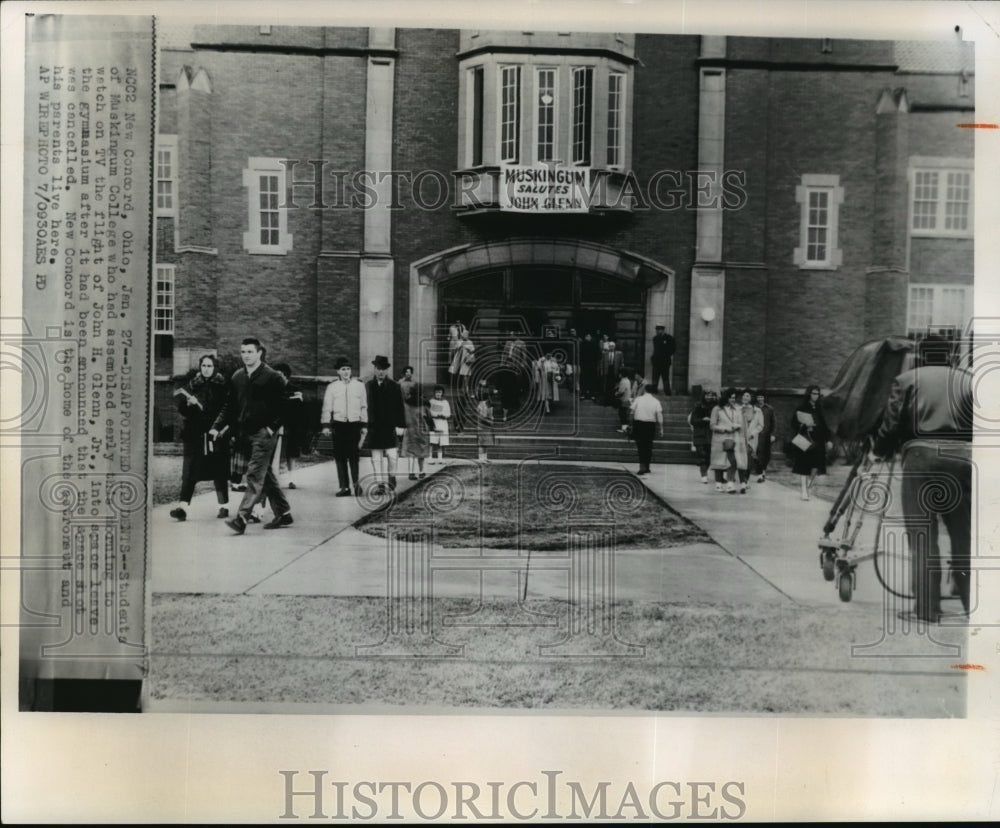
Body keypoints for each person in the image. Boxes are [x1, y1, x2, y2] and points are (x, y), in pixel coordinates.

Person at [871, 342, 973, 623]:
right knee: (964, 537)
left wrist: (879, 450)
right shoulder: (968, 380)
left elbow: (891, 425)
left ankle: (927, 610)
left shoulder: (906, 381)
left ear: (922, 356)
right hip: (964, 460)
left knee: (922, 537)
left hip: (922, 458)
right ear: (950, 356)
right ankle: (973, 607)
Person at [211, 337, 293, 534]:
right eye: (243, 352)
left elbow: (284, 407)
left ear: (259, 353)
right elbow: (230, 406)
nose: (246, 355)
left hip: (264, 434)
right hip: (245, 433)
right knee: (266, 475)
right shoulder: (238, 377)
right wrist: (217, 426)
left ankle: (242, 517)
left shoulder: (272, 377)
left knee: (255, 474)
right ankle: (284, 512)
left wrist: (271, 428)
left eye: (250, 352)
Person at [170, 354, 231, 521]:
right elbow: (182, 409)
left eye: (209, 366)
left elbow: (227, 409)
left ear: (215, 368)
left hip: (214, 433)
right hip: (194, 434)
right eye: (203, 365)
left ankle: (223, 506)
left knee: (218, 470)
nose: (206, 369)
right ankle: (182, 507)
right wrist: (188, 404)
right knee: (189, 470)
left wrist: (220, 428)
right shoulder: (192, 385)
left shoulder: (223, 386)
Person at [320, 356, 368, 497]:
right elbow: (327, 407)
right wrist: (326, 425)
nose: (346, 372)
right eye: (343, 369)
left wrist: (364, 424)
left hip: (354, 425)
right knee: (340, 457)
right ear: (338, 372)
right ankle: (344, 487)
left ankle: (356, 484)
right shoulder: (332, 387)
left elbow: (364, 406)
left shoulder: (359, 386)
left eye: (348, 369)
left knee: (353, 455)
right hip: (339, 425)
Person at [365, 355, 407, 494]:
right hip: (374, 427)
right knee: (376, 459)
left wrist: (401, 425)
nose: (381, 372)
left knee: (392, 456)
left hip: (389, 427)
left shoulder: (394, 386)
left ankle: (392, 475)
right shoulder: (368, 386)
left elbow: (400, 406)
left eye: (383, 369)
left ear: (387, 370)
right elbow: (364, 407)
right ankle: (379, 484)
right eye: (378, 368)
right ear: (374, 369)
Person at [790, 384, 833, 500]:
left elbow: (824, 426)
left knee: (816, 465)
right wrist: (804, 425)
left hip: (818, 440)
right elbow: (794, 424)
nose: (816, 396)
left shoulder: (819, 408)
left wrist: (828, 440)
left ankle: (808, 485)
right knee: (804, 466)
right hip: (805, 440)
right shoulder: (801, 407)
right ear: (809, 394)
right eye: (814, 393)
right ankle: (804, 491)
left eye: (818, 394)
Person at [271, 362, 306, 490]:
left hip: (291, 425)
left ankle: (291, 479)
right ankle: (275, 478)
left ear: (286, 376)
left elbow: (299, 407)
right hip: (276, 425)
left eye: (280, 374)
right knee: (276, 453)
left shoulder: (295, 389)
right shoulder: (272, 389)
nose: (277, 377)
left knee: (291, 453)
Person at [710, 387, 747, 494]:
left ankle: (730, 484)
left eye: (734, 398)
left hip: (733, 438)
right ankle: (718, 484)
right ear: (725, 398)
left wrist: (737, 426)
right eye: (730, 398)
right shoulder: (717, 409)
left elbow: (740, 422)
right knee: (719, 462)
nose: (732, 400)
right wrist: (725, 428)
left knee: (732, 461)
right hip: (720, 439)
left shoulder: (736, 409)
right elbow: (712, 425)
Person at [399, 365, 430, 480]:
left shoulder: (406, 404)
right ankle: (421, 471)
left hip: (410, 429)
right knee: (421, 452)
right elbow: (429, 418)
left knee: (410, 452)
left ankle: (411, 472)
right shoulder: (424, 405)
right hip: (421, 429)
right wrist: (432, 427)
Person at [630, 384, 664, 475]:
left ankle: (642, 466)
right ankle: (647, 466)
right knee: (648, 445)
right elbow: (659, 415)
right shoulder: (656, 401)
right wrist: (661, 428)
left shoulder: (638, 399)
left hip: (639, 424)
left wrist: (631, 424)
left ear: (645, 390)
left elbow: (632, 412)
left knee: (640, 445)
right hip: (650, 425)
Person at [687, 389, 717, 484]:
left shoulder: (715, 407)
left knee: (708, 455)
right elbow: (692, 420)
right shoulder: (698, 406)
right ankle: (703, 475)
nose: (709, 397)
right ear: (704, 396)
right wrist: (703, 420)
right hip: (699, 434)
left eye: (711, 395)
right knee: (702, 454)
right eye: (707, 395)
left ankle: (705, 471)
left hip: (710, 434)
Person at [738, 388, 764, 493]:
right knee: (740, 459)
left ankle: (746, 480)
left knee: (749, 460)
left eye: (747, 396)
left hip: (751, 439)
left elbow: (761, 425)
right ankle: (742, 482)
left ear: (752, 398)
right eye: (744, 395)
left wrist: (753, 433)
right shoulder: (737, 409)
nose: (745, 397)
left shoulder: (757, 411)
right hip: (739, 437)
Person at [476, 386, 506, 462]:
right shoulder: (481, 405)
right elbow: (481, 417)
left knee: (486, 442)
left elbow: (489, 415)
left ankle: (485, 457)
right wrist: (490, 421)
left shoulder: (487, 405)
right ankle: (481, 458)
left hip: (487, 426)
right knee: (481, 443)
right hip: (482, 426)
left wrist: (491, 418)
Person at [753, 389, 777, 482]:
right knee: (758, 454)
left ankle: (763, 471)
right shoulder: (754, 408)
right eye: (758, 397)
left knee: (766, 455)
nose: (760, 399)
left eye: (761, 397)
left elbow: (774, 422)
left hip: (767, 435)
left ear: (764, 398)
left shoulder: (769, 409)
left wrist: (773, 434)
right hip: (756, 435)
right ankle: (759, 474)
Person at [428, 385, 451, 464]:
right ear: (434, 393)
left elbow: (448, 413)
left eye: (440, 392)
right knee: (432, 440)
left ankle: (440, 458)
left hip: (443, 422)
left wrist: (444, 415)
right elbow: (429, 412)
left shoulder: (445, 402)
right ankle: (430, 457)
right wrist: (436, 414)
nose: (438, 394)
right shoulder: (431, 401)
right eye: (437, 392)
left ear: (442, 393)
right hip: (434, 422)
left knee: (441, 441)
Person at [650, 324, 676, 395]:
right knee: (655, 377)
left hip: (665, 362)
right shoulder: (655, 338)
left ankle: (667, 392)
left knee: (665, 377)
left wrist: (666, 355)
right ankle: (654, 391)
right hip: (656, 362)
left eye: (659, 330)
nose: (658, 331)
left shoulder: (669, 338)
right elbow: (655, 350)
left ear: (663, 330)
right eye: (657, 330)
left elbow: (673, 349)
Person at [598, 340, 624, 406]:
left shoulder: (619, 354)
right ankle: (606, 401)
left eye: (612, 346)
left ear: (614, 347)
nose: (611, 347)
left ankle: (613, 401)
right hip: (607, 372)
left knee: (614, 386)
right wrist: (601, 372)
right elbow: (601, 363)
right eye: (610, 346)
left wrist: (621, 373)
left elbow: (621, 364)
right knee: (606, 387)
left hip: (615, 372)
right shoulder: (605, 353)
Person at [579, 332, 601, 401]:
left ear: (591, 337)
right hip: (584, 365)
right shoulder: (582, 345)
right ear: (585, 337)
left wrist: (595, 362)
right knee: (583, 379)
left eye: (589, 336)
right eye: (586, 336)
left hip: (592, 365)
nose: (587, 337)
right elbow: (579, 354)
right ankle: (583, 394)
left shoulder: (595, 345)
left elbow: (599, 355)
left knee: (592, 379)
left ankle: (592, 394)